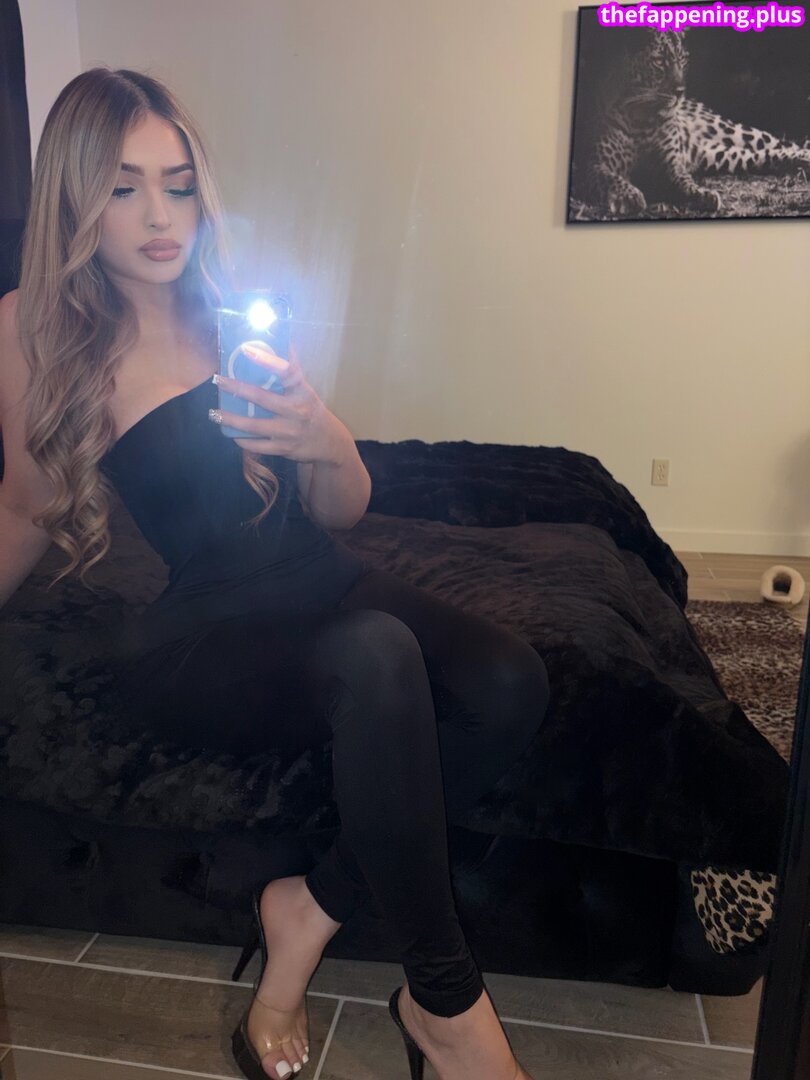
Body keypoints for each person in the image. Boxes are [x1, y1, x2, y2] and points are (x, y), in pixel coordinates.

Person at [0, 67, 550, 1080]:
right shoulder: (32, 330)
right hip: (203, 630)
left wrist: (322, 437)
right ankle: (446, 1006)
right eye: (123, 188)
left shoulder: (233, 309)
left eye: (178, 184)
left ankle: (307, 907)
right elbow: (24, 506)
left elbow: (344, 508)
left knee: (511, 678)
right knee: (377, 654)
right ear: (76, 197)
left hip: (318, 575)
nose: (161, 217)